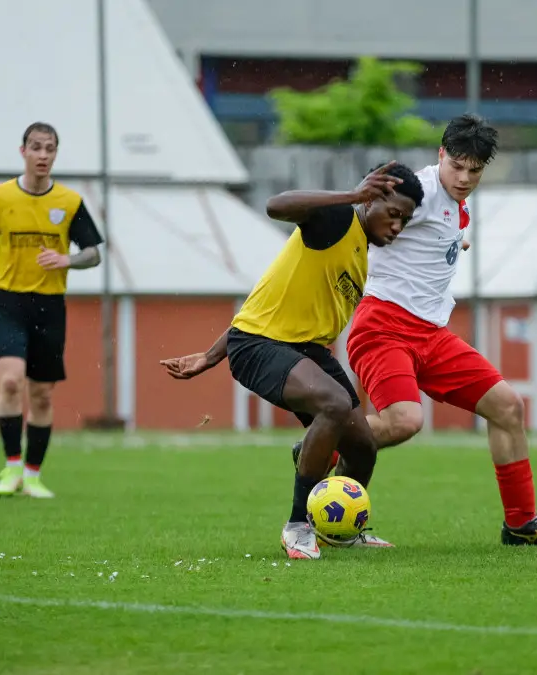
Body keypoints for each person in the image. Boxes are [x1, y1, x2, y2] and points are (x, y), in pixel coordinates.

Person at [300, 114, 537, 546]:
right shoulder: (422, 188)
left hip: (431, 333)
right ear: (441, 154)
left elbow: (431, 238)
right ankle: (323, 442)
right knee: (404, 421)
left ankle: (521, 525)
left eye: (475, 170)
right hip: (384, 327)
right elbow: (361, 218)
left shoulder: (455, 202)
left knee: (507, 407)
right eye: (458, 166)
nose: (465, 178)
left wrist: (454, 243)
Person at [160, 161, 424, 560]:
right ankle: (298, 525)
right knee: (333, 405)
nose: (398, 227)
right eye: (394, 214)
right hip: (259, 345)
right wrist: (352, 195)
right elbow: (275, 205)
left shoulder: (361, 248)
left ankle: (341, 530)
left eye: (405, 220)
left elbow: (268, 299)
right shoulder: (337, 220)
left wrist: (210, 355)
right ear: (371, 201)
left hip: (305, 348)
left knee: (363, 447)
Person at [0, 122, 105, 499]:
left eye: (49, 148)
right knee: (10, 381)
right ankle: (10, 469)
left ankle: (33, 475)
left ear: (56, 153)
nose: (42, 155)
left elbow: (93, 254)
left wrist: (66, 259)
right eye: (36, 147)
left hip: (50, 306)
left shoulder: (69, 202)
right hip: (7, 300)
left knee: (41, 394)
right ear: (22, 151)